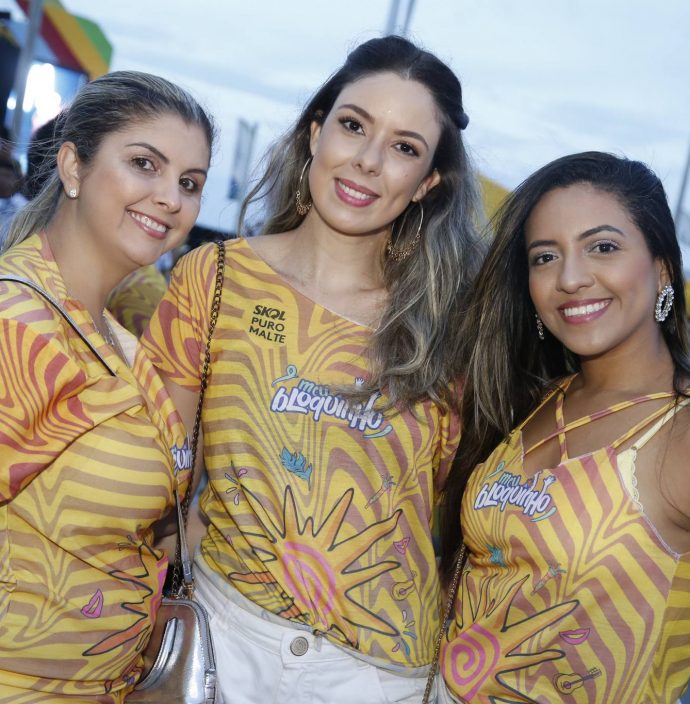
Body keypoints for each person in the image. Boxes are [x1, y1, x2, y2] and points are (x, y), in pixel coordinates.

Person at [142, 34, 481, 703]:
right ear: (317, 131)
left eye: (405, 148)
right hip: (222, 642)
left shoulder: (454, 328)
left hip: (377, 676)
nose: (368, 161)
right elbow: (157, 474)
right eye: (354, 126)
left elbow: (459, 513)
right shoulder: (216, 280)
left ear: (428, 183)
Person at [438, 152, 690, 703]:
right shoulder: (531, 400)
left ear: (663, 268)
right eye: (545, 256)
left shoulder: (680, 433)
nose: (571, 278)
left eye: (603, 247)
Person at [0, 70, 214, 702]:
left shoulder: (119, 343)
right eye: (144, 163)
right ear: (72, 167)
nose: (170, 198)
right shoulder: (23, 326)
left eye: (189, 183)